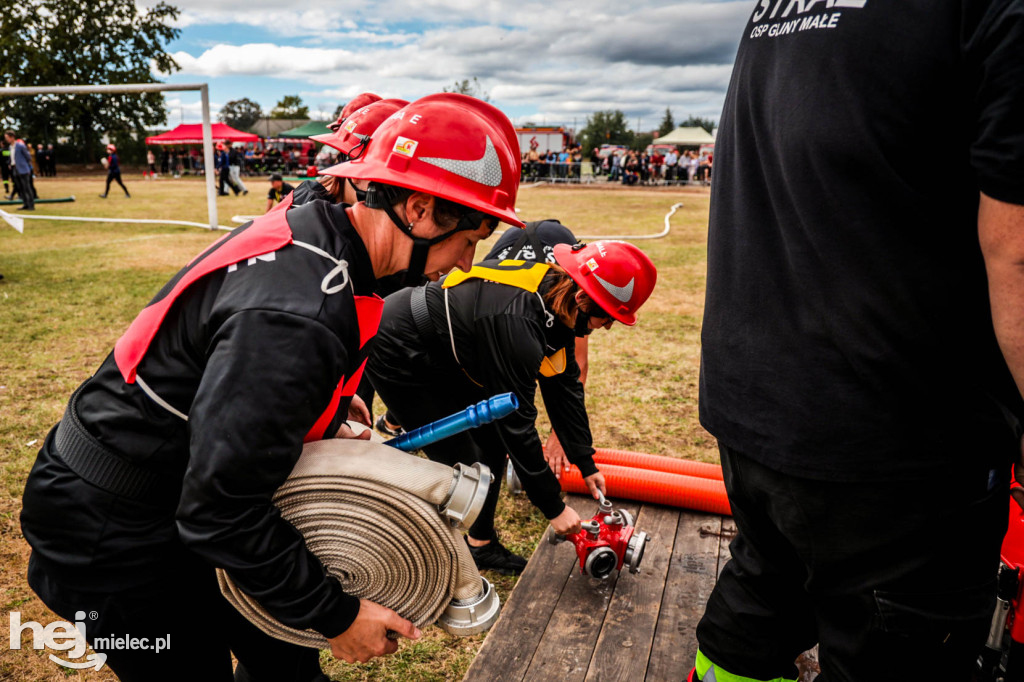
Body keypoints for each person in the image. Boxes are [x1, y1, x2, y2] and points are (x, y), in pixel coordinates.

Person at [20, 93, 524, 682]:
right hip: (109, 531)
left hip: (166, 500)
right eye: (472, 238)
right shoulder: (297, 314)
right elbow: (219, 510)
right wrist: (336, 615)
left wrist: (325, 404)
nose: (465, 264)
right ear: (419, 210)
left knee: (283, 665)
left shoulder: (323, 235)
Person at [692, 3, 1024, 682]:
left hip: (757, 408)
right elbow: (1018, 255)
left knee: (762, 593)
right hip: (898, 444)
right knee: (893, 650)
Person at [366, 240, 657, 574]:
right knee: (465, 466)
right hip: (400, 348)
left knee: (491, 445)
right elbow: (517, 423)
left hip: (448, 350)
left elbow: (564, 386)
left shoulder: (555, 299)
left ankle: (481, 546)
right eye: (606, 319)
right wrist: (554, 507)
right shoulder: (518, 319)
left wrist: (584, 460)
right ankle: (413, 551)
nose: (606, 327)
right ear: (582, 298)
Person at [4, 130, 34, 210]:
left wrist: (25, 166)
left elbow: (28, 157)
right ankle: (25, 204)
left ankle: (31, 205)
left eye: (7, 137)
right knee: (20, 188)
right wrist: (10, 164)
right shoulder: (10, 147)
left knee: (27, 187)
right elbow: (12, 157)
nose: (6, 139)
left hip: (23, 169)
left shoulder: (20, 146)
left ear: (12, 137)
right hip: (15, 169)